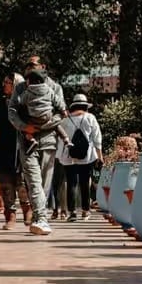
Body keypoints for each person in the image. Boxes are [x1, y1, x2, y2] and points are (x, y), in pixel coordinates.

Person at [9, 56, 67, 235]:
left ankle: (39, 218)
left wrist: (41, 126)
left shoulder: (55, 87)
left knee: (44, 183)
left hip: (48, 141)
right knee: (33, 182)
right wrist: (25, 127)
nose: (30, 69)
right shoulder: (20, 88)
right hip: (26, 141)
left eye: (33, 66)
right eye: (27, 66)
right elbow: (12, 111)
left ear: (43, 67)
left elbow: (61, 113)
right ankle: (41, 218)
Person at [0, 73, 31, 229]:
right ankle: (10, 215)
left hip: (20, 146)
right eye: (4, 81)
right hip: (3, 146)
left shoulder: (23, 101)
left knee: (22, 182)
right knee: (5, 183)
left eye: (8, 82)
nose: (5, 84)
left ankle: (27, 211)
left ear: (17, 84)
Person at [57, 93, 103, 221]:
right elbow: (97, 138)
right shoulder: (90, 118)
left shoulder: (65, 120)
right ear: (85, 106)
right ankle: (85, 211)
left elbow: (60, 139)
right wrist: (100, 156)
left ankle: (72, 212)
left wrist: (59, 156)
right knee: (84, 182)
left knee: (71, 183)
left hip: (68, 156)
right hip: (86, 156)